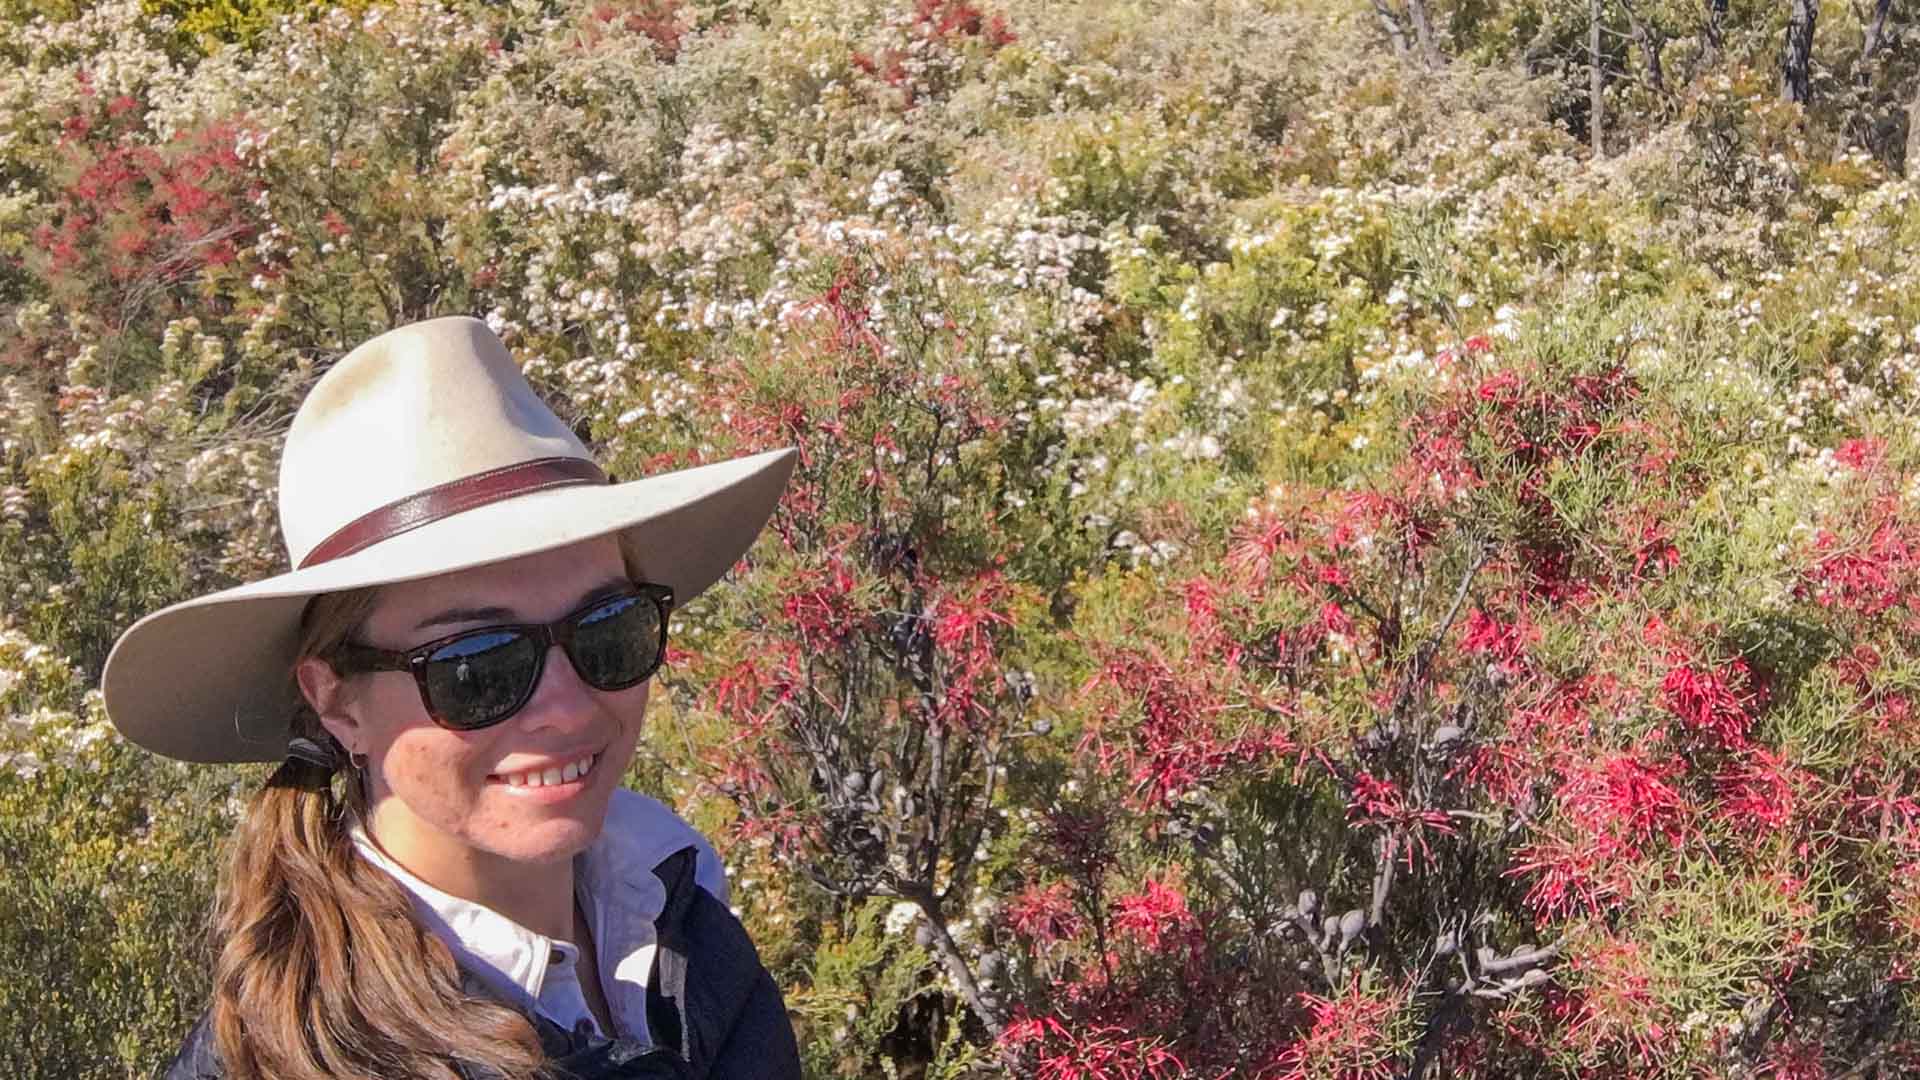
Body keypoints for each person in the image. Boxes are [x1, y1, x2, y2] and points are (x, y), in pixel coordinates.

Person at [101, 317, 803, 1080]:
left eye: (610, 629)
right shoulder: (295, 1058)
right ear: (337, 703)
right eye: (477, 667)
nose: (568, 707)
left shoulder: (674, 894)